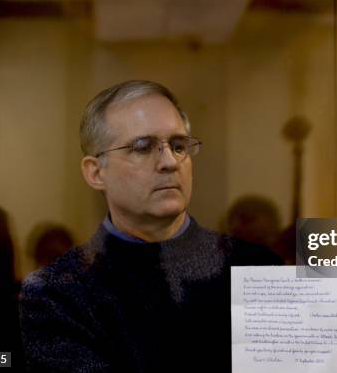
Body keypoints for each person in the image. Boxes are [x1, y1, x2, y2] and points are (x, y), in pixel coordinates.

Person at [19, 80, 280, 372]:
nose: (169, 162)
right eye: (143, 147)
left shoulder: (257, 269)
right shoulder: (56, 294)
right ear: (95, 172)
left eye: (179, 145)